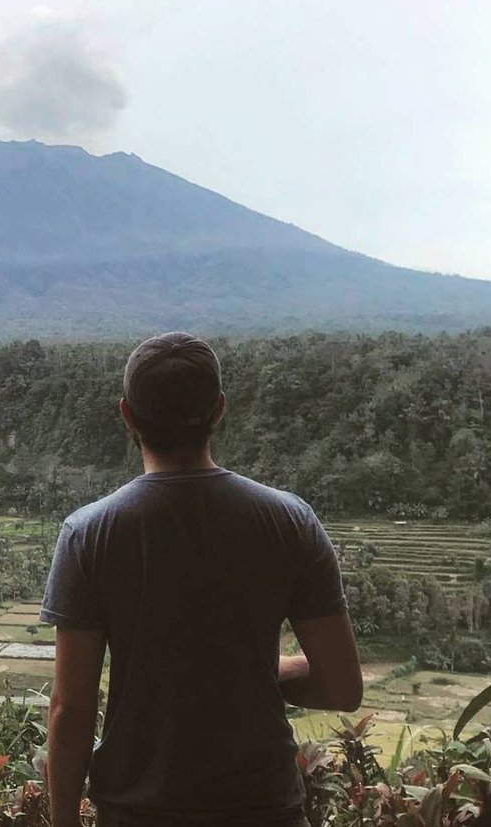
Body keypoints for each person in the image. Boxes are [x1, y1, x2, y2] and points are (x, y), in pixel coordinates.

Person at [40, 332, 362, 827]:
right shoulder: (289, 521)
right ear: (219, 410)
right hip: (264, 807)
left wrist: (63, 820)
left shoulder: (90, 534)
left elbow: (72, 708)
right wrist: (249, 669)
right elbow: (342, 687)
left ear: (127, 415)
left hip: (136, 811)